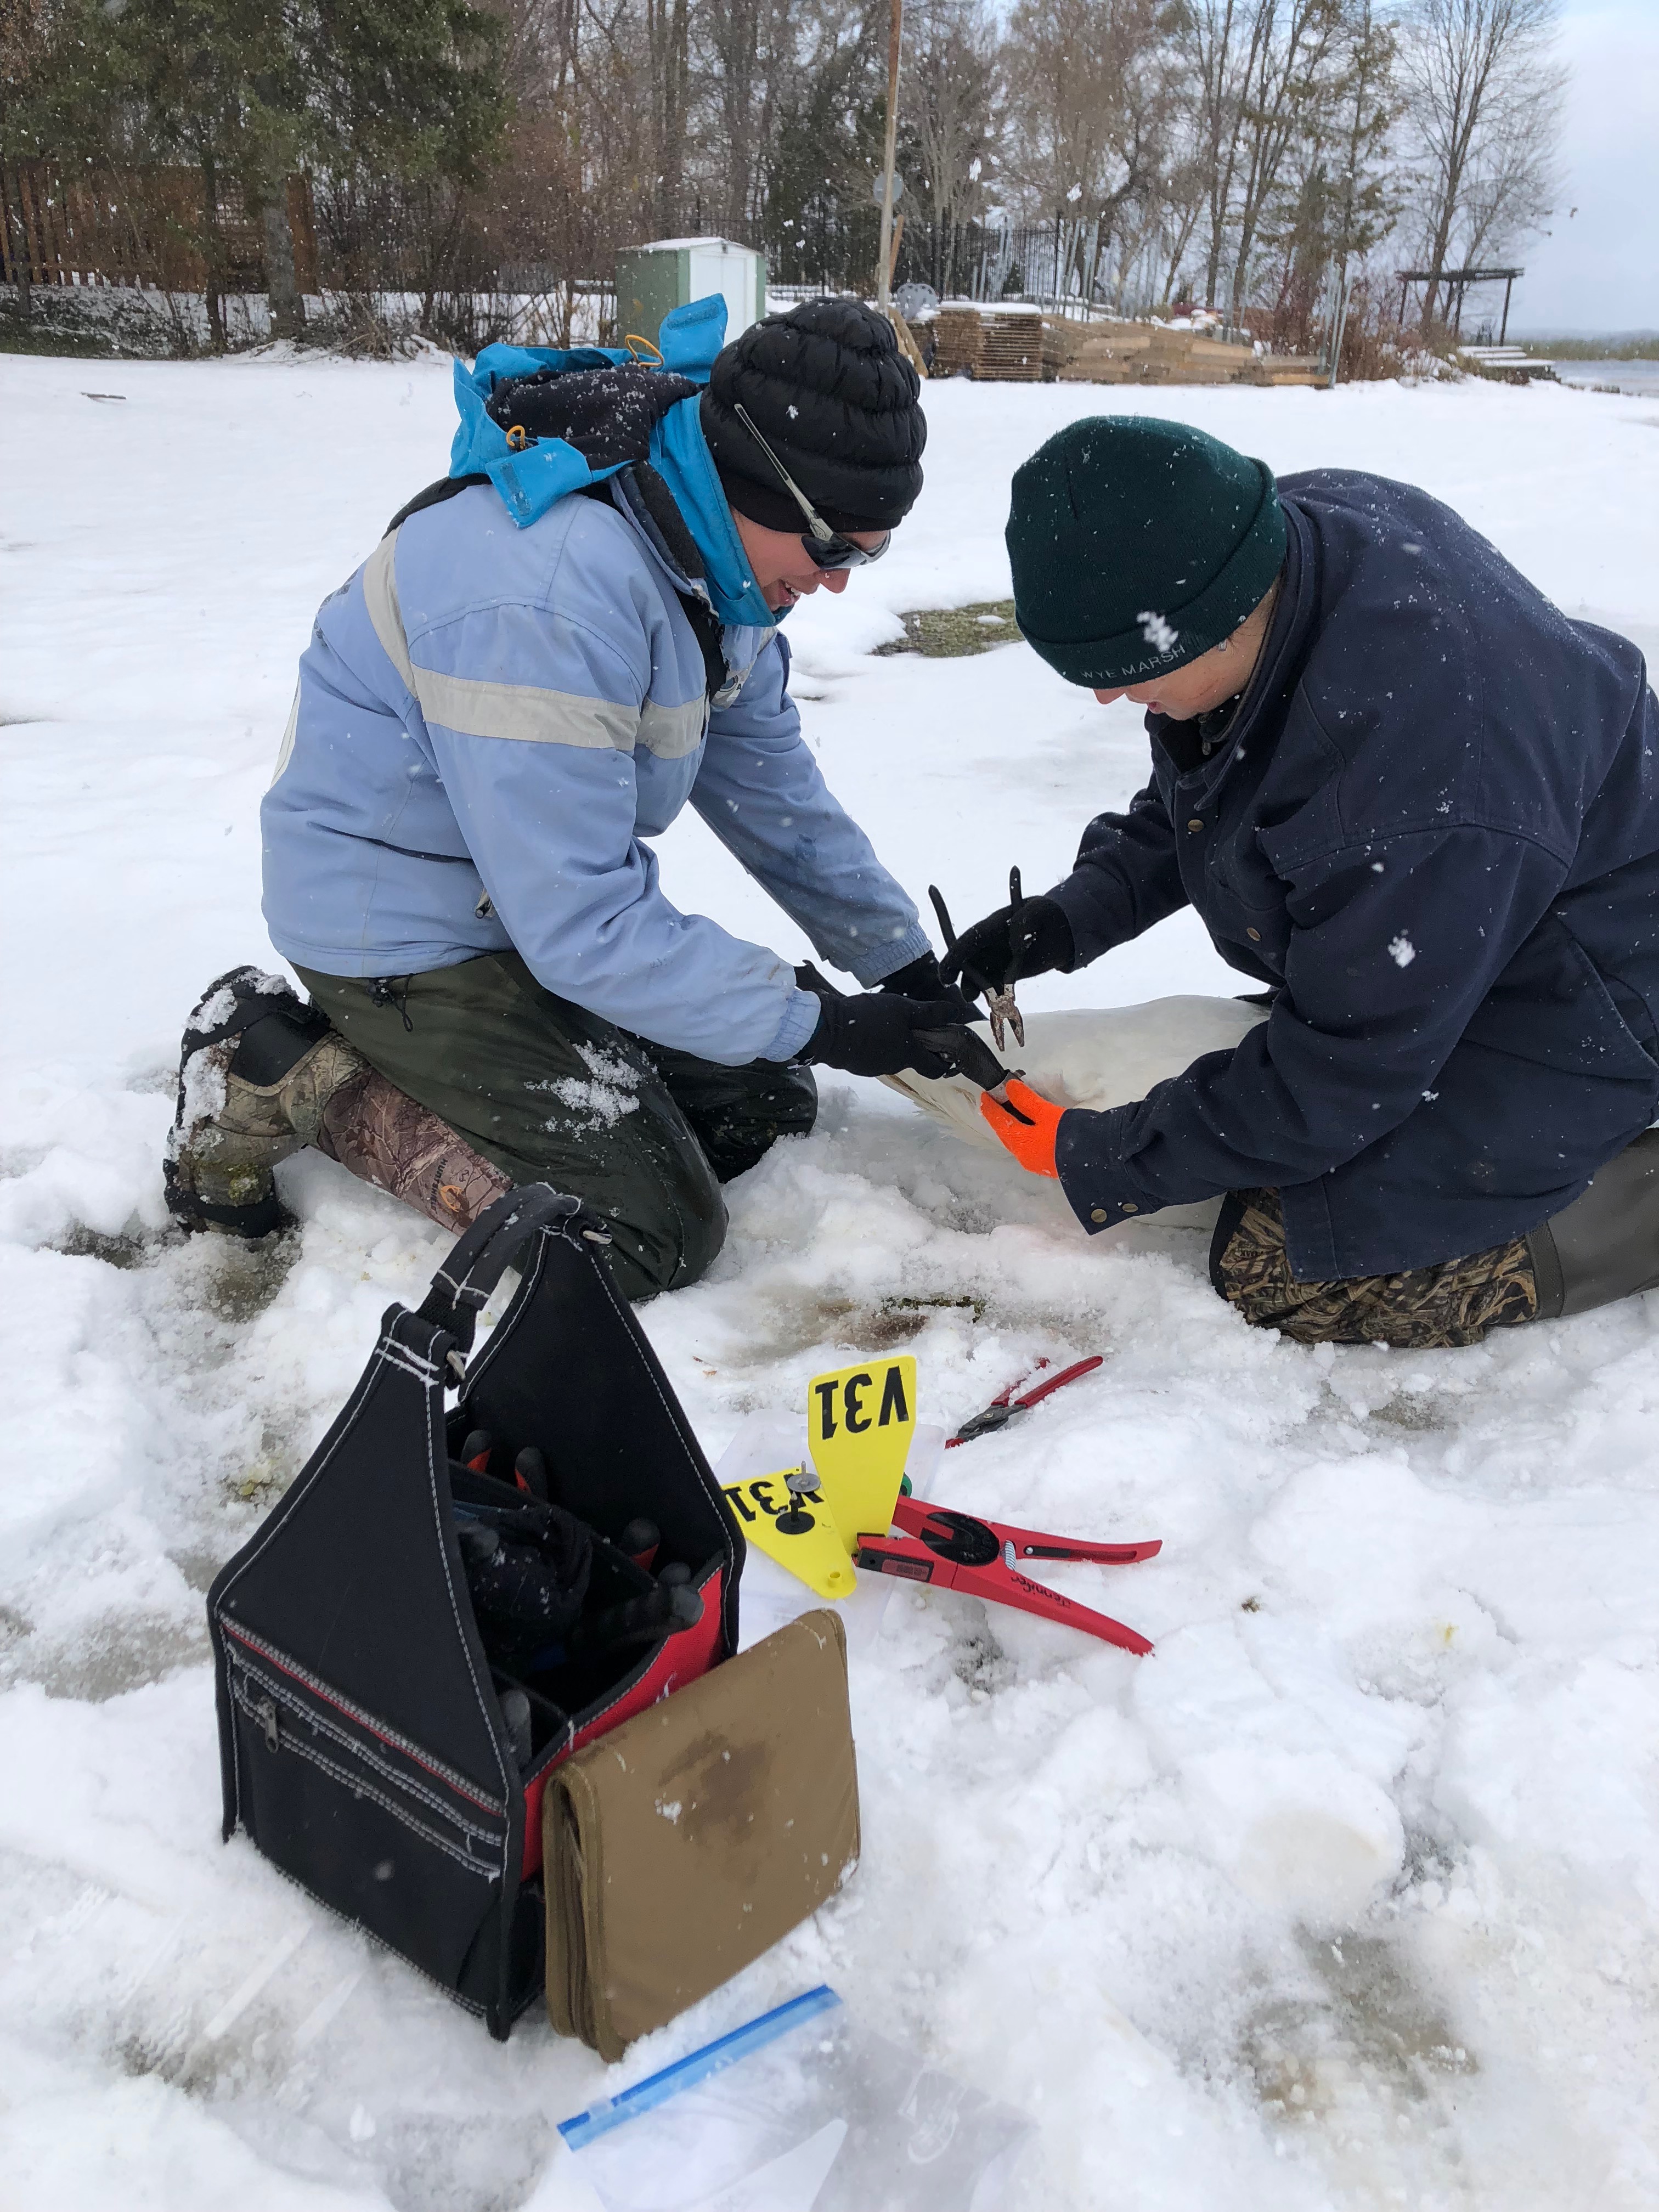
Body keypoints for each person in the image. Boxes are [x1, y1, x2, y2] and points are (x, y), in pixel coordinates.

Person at [165, 298, 978, 1300]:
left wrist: (900, 964)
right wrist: (825, 1020)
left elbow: (779, 799)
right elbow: (583, 922)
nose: (842, 583)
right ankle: (288, 1072)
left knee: (760, 1106)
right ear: (758, 484)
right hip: (400, 934)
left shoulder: (720, 566)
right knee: (651, 1233)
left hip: (518, 905)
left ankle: (474, 1072)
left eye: (872, 552)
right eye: (837, 549)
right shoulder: (546, 594)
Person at [948, 416, 1659, 1348]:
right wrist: (1069, 918)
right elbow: (1215, 787)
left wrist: (1103, 1154)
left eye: (1129, 671)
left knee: (1284, 1270)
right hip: (1469, 922)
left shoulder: (1416, 783)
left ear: (1213, 610)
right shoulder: (1277, 546)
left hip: (1591, 993)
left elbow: (1344, 1072)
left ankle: (1633, 1202)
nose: (1106, 701)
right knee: (1270, 1148)